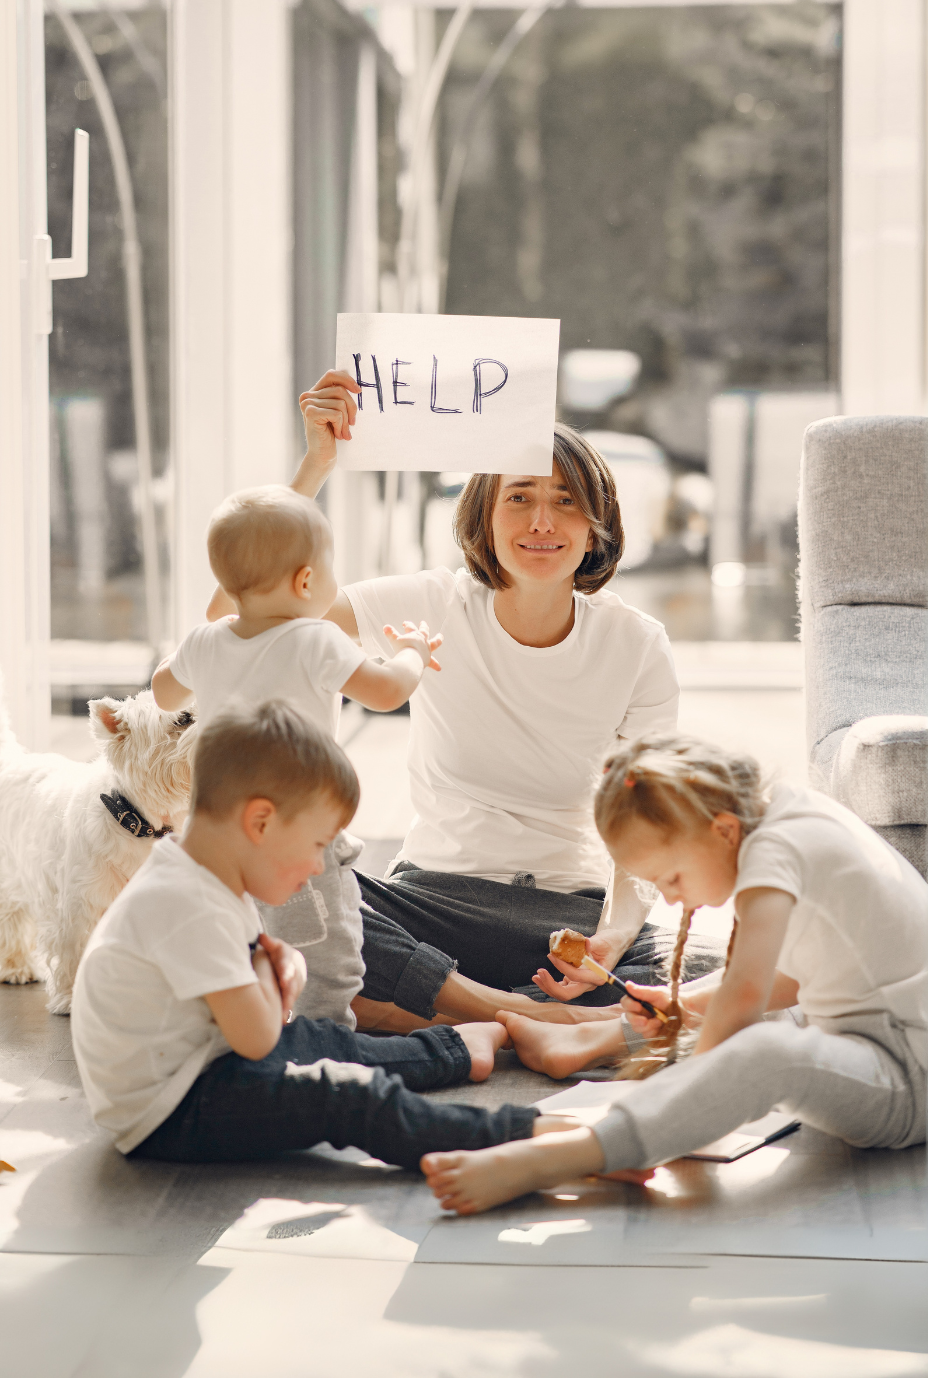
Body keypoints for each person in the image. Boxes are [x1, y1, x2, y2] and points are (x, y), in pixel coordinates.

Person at [223, 371, 724, 1044]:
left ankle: (439, 1014)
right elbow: (242, 612)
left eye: (566, 501)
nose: (541, 521)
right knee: (291, 889)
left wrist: (612, 936)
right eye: (520, 497)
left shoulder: (637, 645)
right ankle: (541, 1022)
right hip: (429, 904)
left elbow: (651, 819)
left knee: (727, 966)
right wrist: (315, 465)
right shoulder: (436, 603)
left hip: (567, 923)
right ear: (485, 515)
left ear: (595, 527)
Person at [419, 733, 928, 1214]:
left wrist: (692, 1098)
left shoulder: (775, 854)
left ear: (723, 830)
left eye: (671, 877)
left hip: (907, 1078)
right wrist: (682, 1005)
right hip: (873, 1041)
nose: (668, 896)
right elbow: (794, 978)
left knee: (766, 1051)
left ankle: (569, 1155)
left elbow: (746, 994)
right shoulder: (786, 817)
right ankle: (597, 1058)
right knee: (749, 1019)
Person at [71, 701, 573, 1167]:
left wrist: (269, 973)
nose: (317, 867)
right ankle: (519, 1135)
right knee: (345, 1097)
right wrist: (285, 978)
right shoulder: (188, 906)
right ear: (260, 822)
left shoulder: (203, 875)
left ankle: (453, 1050)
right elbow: (258, 1038)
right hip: (173, 1111)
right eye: (316, 845)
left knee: (319, 1038)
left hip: (199, 1063)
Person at [151, 485, 441, 1027]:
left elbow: (163, 694)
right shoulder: (315, 639)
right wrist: (413, 653)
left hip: (219, 832)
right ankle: (325, 1037)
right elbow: (386, 692)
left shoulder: (204, 641)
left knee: (239, 938)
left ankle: (245, 1029)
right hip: (297, 833)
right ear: (307, 581)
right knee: (324, 952)